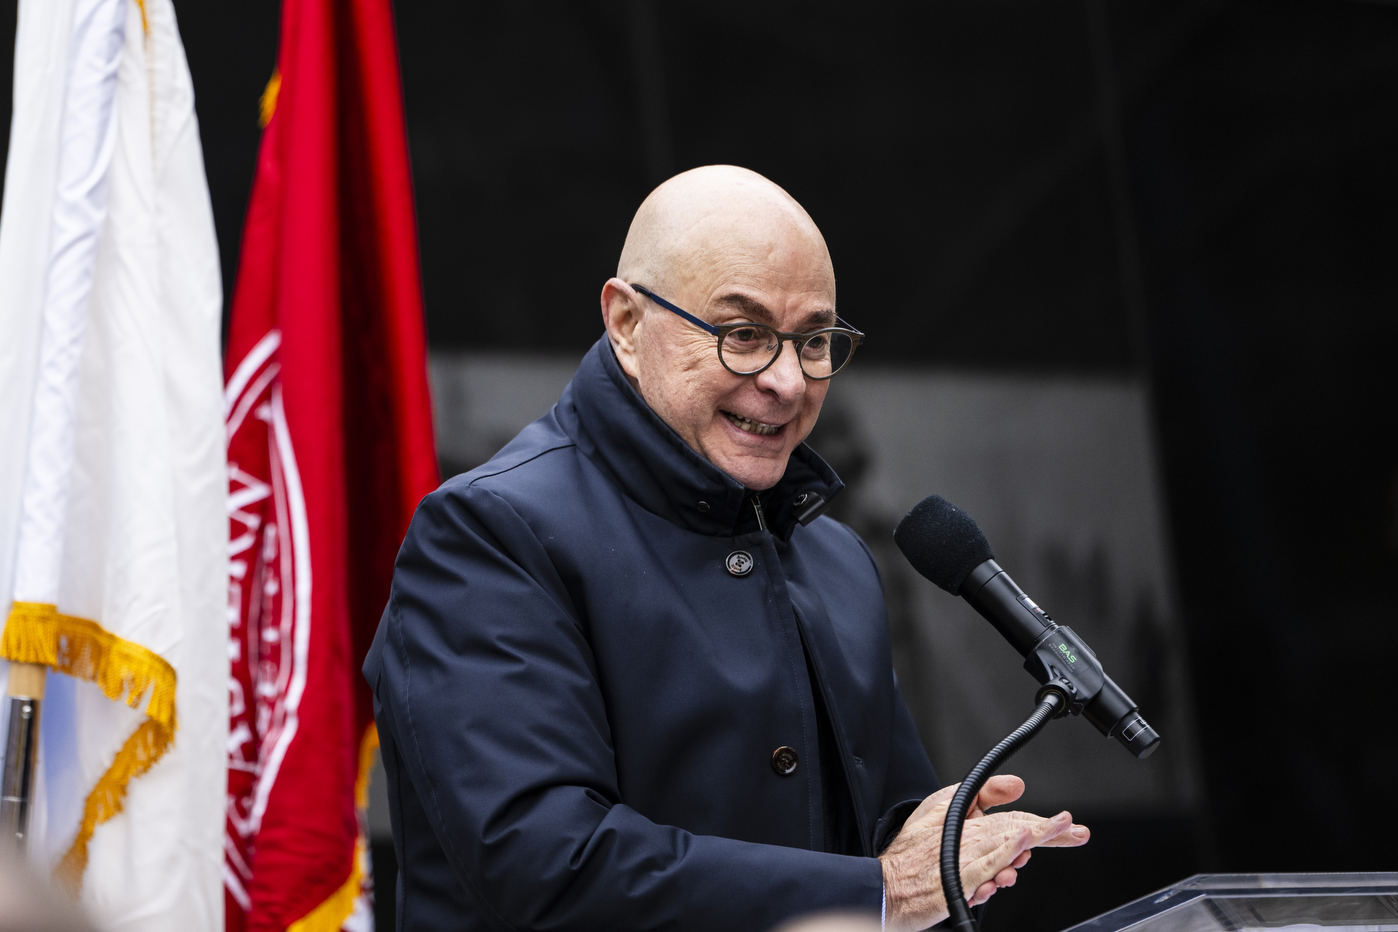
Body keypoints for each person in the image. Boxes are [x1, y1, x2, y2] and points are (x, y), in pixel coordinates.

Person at [364, 166, 1089, 932]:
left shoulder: (836, 560)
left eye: (814, 340)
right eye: (743, 335)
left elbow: (879, 852)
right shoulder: (489, 535)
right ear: (627, 325)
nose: (786, 380)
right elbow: (542, 864)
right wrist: (880, 891)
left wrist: (929, 840)